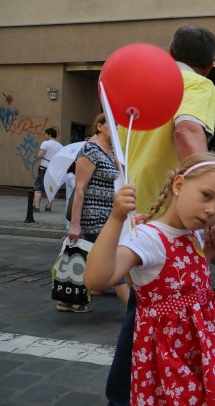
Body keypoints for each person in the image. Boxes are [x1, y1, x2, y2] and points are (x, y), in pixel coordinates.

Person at [107, 24, 215, 406]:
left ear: (168, 52)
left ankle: (138, 388)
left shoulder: (143, 85)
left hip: (137, 214)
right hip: (171, 221)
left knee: (146, 305)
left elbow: (122, 152)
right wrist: (213, 192)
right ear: (210, 67)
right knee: (159, 308)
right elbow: (186, 132)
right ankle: (136, 391)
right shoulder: (196, 84)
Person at [84, 153, 215, 406]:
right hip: (168, 354)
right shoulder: (148, 238)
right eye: (206, 196)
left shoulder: (193, 233)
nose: (211, 210)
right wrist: (116, 217)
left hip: (203, 346)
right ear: (179, 185)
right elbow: (96, 279)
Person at [66, 113, 130, 312]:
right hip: (94, 216)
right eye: (113, 125)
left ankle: (67, 298)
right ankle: (134, 313)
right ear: (100, 126)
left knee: (90, 256)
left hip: (110, 214)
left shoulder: (112, 153)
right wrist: (75, 225)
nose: (118, 129)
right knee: (113, 260)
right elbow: (80, 188)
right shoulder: (90, 150)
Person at [33, 127, 63, 212]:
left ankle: (37, 206)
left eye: (46, 134)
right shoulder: (60, 146)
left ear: (49, 135)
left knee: (38, 187)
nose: (45, 136)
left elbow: (40, 155)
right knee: (51, 187)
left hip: (44, 167)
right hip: (54, 169)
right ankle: (49, 206)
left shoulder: (45, 143)